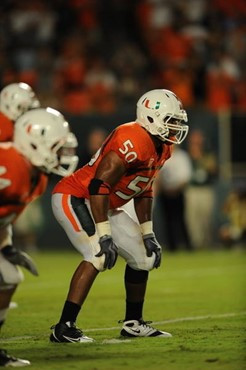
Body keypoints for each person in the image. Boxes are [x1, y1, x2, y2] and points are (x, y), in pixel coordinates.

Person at [49, 88, 189, 343]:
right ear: (150, 117)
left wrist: (148, 232)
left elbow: (144, 188)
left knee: (144, 259)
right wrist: (104, 235)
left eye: (177, 122)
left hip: (105, 204)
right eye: (171, 121)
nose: (175, 127)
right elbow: (98, 186)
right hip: (77, 196)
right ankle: (64, 327)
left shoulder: (163, 147)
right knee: (97, 254)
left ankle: (133, 323)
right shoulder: (132, 137)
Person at [0, 107, 78, 367]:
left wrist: (6, 246)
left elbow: (4, 216)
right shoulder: (8, 164)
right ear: (34, 143)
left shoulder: (38, 178)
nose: (62, 155)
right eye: (56, 147)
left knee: (10, 276)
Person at [155, 145, 193, 252]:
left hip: (178, 192)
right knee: (167, 220)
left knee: (180, 219)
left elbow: (185, 177)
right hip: (165, 192)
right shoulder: (161, 155)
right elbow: (157, 175)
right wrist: (164, 188)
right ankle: (172, 246)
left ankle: (187, 244)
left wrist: (175, 189)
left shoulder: (182, 156)